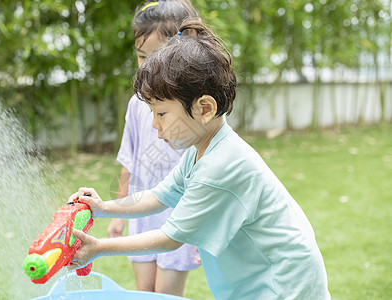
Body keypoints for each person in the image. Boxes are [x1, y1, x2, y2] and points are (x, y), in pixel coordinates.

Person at [68, 19, 331, 299]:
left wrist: (99, 247)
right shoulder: (200, 150)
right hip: (259, 280)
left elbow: (170, 238)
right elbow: (160, 196)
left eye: (161, 114)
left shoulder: (222, 166)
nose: (155, 125)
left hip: (284, 285)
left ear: (204, 108)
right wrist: (102, 207)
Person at [106, 0, 200, 296]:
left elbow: (206, 173)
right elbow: (129, 163)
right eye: (141, 56)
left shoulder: (195, 107)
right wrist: (120, 214)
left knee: (165, 296)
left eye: (156, 56)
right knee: (144, 294)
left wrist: (201, 229)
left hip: (180, 218)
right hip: (143, 218)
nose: (146, 66)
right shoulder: (136, 104)